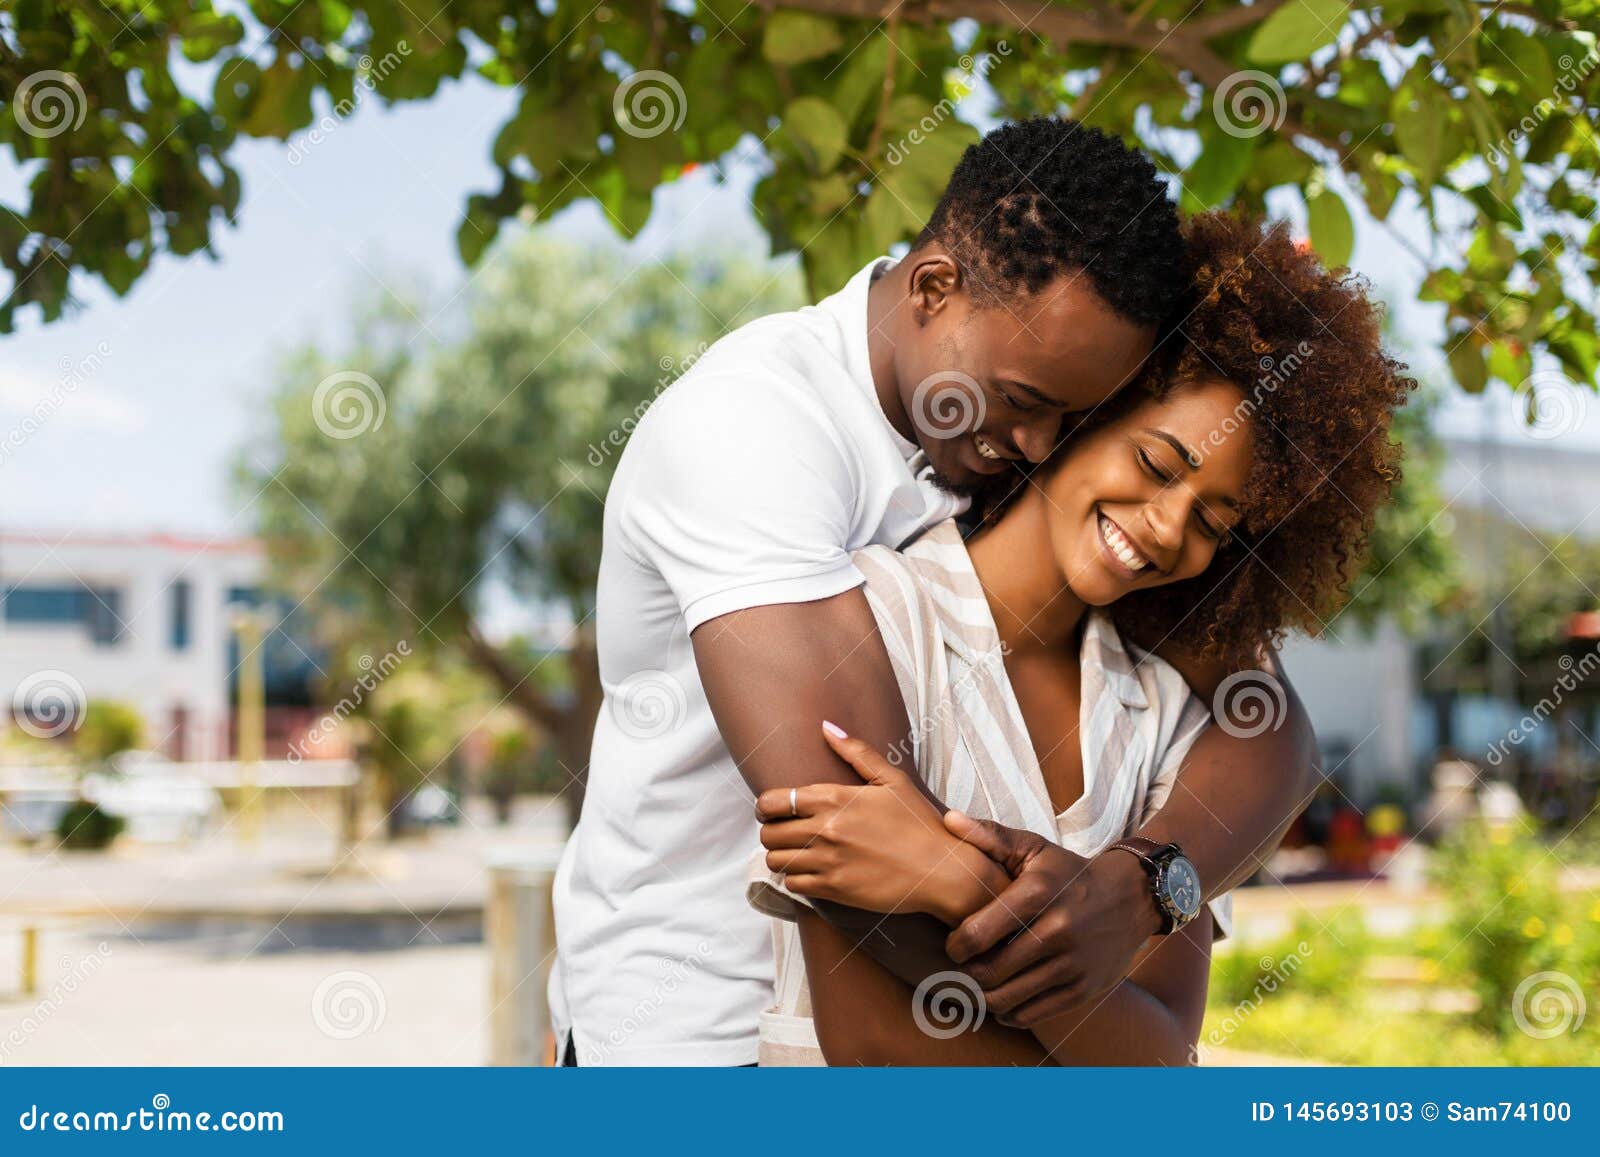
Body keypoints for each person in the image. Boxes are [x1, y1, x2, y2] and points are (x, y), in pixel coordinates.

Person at [549, 118, 1314, 1066]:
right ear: (934, 288)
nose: (1038, 443)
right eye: (1026, 400)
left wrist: (1145, 883)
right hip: (686, 1037)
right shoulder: (751, 427)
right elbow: (851, 841)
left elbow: (1267, 727)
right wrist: (1027, 934)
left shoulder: (1008, 432)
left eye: (1076, 415)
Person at [750, 212, 1414, 1064]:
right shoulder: (865, 621)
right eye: (1158, 464)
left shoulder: (1166, 717)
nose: (1172, 528)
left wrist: (957, 883)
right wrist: (1085, 986)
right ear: (1080, 414)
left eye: (1217, 518)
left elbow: (1163, 1051)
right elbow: (873, 1045)